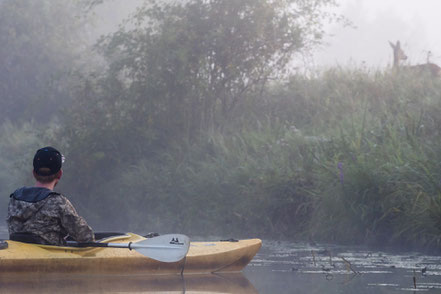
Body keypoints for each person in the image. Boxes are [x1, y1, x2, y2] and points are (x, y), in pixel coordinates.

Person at [7, 146, 95, 246]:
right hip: (49, 256)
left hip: (17, 253)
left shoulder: (15, 197)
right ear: (60, 174)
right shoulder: (59, 202)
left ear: (34, 173)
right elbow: (86, 237)